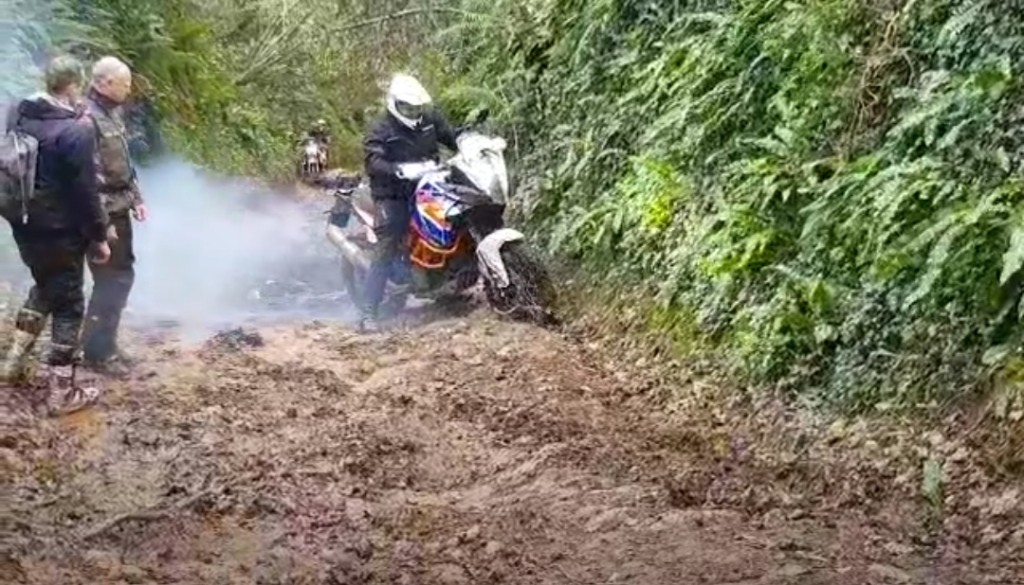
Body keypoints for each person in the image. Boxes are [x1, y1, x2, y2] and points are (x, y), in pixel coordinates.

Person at [1, 55, 111, 414]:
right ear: (73, 86)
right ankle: (60, 392)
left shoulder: (18, 112)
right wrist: (99, 237)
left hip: (23, 223)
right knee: (69, 305)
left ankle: (12, 363)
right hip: (60, 231)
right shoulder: (75, 131)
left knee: (46, 286)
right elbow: (85, 193)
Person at [360, 74, 458, 332]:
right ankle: (368, 312)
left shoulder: (430, 119)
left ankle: (450, 275)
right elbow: (373, 161)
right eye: (407, 107)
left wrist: (473, 142)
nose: (413, 112)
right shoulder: (380, 128)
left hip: (429, 185)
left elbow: (452, 137)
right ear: (394, 104)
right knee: (389, 241)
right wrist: (398, 170)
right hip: (392, 193)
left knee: (457, 216)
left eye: (416, 108)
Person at [81, 56, 148, 373]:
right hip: (102, 213)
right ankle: (97, 352)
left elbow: (124, 163)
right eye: (125, 84)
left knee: (121, 277)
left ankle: (107, 344)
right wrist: (101, 224)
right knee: (110, 280)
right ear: (104, 83)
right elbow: (87, 178)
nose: (128, 89)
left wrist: (136, 198)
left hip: (120, 207)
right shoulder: (87, 119)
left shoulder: (113, 113)